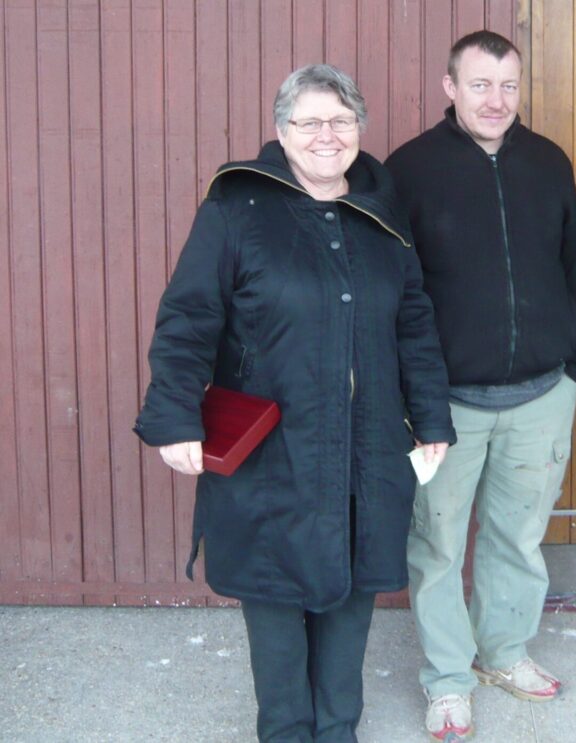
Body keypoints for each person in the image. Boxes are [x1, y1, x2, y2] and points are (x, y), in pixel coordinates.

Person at [133, 64, 455, 743]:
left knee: (353, 592)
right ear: (281, 132)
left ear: (360, 128)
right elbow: (188, 318)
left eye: (340, 120)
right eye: (309, 121)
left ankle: (337, 728)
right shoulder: (236, 210)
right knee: (275, 597)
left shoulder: (381, 213)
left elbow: (414, 323)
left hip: (367, 446)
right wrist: (174, 417)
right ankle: (284, 731)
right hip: (272, 450)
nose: (326, 135)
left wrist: (431, 418)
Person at [385, 30, 576, 743]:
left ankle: (503, 653)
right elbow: (396, 291)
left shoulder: (547, 161)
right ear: (450, 87)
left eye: (508, 85)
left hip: (542, 395)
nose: (496, 100)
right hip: (446, 405)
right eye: (480, 84)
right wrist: (412, 394)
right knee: (438, 546)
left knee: (518, 537)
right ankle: (448, 678)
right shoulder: (409, 169)